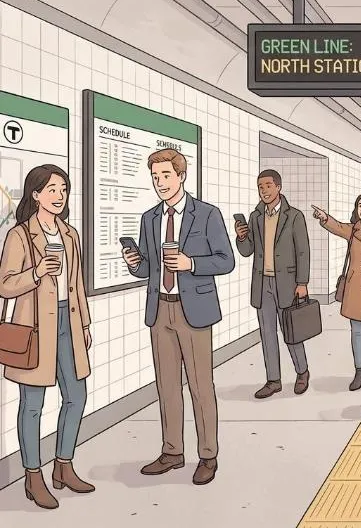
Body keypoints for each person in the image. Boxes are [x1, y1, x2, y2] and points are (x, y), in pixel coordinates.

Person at [122, 148, 235, 485]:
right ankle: (172, 451)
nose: (160, 183)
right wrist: (134, 264)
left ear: (182, 176)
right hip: (160, 310)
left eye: (166, 176)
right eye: (155, 177)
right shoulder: (150, 218)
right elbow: (147, 268)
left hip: (194, 312)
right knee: (167, 386)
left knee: (201, 386)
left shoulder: (207, 214)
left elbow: (226, 260)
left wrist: (192, 264)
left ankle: (208, 455)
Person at [0, 165, 94, 509]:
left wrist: (84, 324)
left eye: (64, 190)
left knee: (76, 396)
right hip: (36, 327)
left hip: (68, 323)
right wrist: (37, 272)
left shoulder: (69, 234)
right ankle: (32, 476)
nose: (59, 196)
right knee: (33, 406)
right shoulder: (20, 235)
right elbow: (5, 284)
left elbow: (77, 284)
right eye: (52, 189)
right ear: (36, 194)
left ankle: (63, 466)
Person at [235, 170, 311, 399]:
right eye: (260, 186)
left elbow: (303, 251)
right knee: (267, 333)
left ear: (278, 187)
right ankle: (273, 380)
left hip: (287, 283)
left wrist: (302, 282)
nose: (264, 190)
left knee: (292, 331)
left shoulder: (294, 216)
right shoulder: (255, 217)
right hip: (262, 284)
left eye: (268, 185)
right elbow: (247, 251)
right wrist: (241, 237)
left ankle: (302, 372)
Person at [313, 194, 361, 391]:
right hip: (355, 288)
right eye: (359, 206)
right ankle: (360, 371)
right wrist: (324, 217)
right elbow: (336, 226)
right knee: (356, 331)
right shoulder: (352, 230)